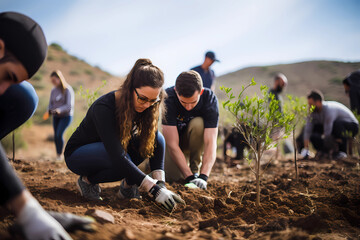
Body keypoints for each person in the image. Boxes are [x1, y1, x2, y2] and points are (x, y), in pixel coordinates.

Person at [64, 58, 184, 211]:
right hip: (79, 155)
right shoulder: (104, 107)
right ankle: (87, 181)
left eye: (153, 100)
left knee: (154, 138)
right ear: (130, 88)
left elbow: (155, 141)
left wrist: (161, 186)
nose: (147, 105)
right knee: (121, 160)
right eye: (143, 98)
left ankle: (128, 186)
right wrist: (152, 188)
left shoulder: (147, 107)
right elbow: (116, 154)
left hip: (113, 153)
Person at [0, 11, 72, 240]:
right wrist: (26, 208)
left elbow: (66, 106)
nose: (2, 90)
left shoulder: (66, 90)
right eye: (7, 75)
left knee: (23, 96)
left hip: (63, 116)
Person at [162, 70, 219, 190]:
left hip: (193, 142)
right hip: (172, 144)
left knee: (198, 123)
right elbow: (172, 144)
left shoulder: (209, 99)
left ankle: (196, 171)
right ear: (176, 91)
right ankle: (151, 165)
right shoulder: (168, 98)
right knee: (174, 178)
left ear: (201, 91)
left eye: (193, 102)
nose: (188, 107)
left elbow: (211, 143)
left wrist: (203, 177)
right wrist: (188, 177)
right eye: (183, 102)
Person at [299, 90, 359, 159]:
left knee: (337, 124)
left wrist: (328, 144)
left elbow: (327, 132)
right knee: (314, 130)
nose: (309, 106)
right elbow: (308, 130)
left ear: (318, 102)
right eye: (309, 104)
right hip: (333, 128)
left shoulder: (329, 110)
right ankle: (323, 151)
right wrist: (306, 148)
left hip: (351, 126)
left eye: (311, 104)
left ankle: (342, 152)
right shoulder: (312, 112)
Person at [47, 70, 74, 160]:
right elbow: (50, 103)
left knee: (59, 134)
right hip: (56, 117)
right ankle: (58, 155)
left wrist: (59, 110)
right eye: (52, 81)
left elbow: (69, 105)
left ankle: (62, 155)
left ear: (59, 78)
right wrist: (49, 110)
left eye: (54, 80)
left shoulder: (67, 89)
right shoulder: (53, 90)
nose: (53, 82)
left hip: (66, 116)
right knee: (56, 136)